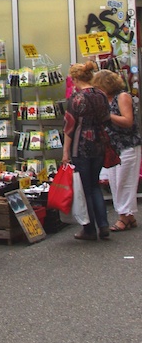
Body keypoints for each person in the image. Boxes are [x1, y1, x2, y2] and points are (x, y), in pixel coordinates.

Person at [62, 61, 112, 240]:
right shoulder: (101, 95)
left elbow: (69, 127)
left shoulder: (76, 98)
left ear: (75, 79)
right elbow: (107, 118)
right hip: (99, 143)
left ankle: (89, 229)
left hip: (80, 145)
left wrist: (65, 153)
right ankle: (104, 224)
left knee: (85, 188)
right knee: (95, 185)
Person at [91, 69, 142, 231]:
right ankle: (129, 216)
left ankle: (123, 217)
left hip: (127, 144)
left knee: (124, 181)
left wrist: (107, 115)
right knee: (115, 181)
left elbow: (128, 121)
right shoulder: (105, 99)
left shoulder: (122, 97)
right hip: (112, 146)